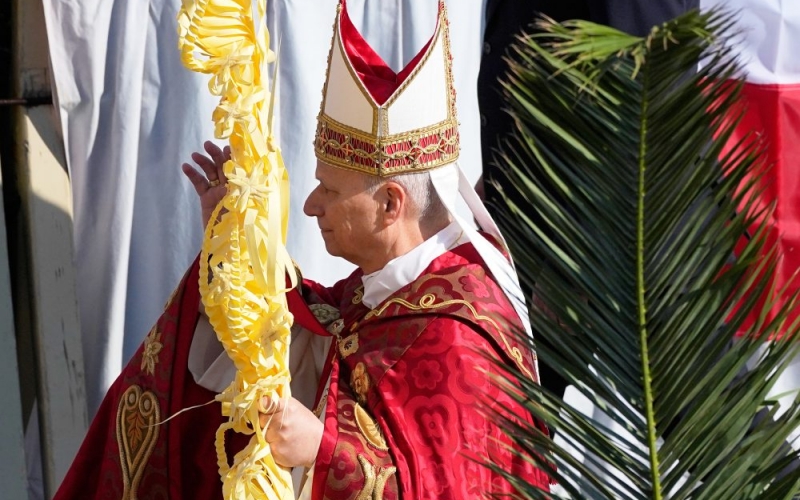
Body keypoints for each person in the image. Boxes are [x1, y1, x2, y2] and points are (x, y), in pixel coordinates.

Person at [54, 0, 550, 498]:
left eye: (329, 190)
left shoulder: (461, 339)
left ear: (389, 204)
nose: (311, 206)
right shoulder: (398, 284)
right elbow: (314, 330)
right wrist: (235, 244)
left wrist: (322, 451)